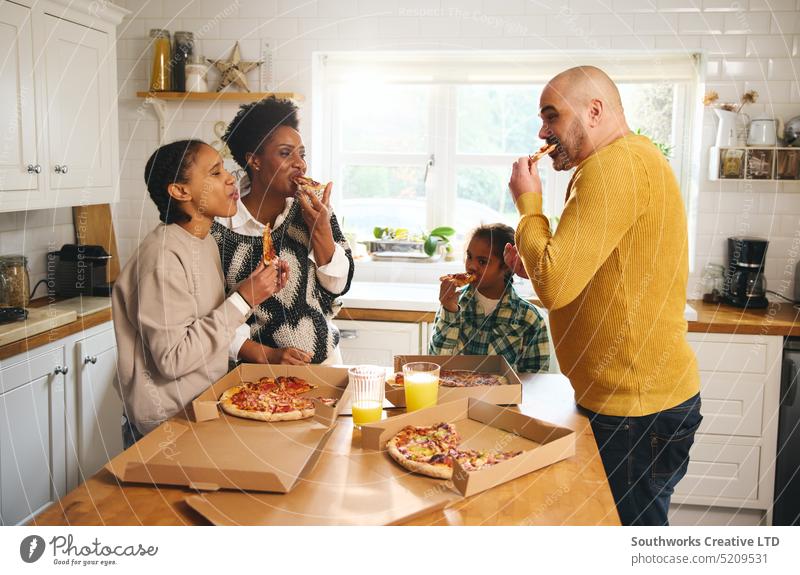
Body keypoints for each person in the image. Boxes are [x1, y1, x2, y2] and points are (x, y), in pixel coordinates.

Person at [504, 66, 701, 526]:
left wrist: (528, 204)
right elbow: (592, 273)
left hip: (635, 412)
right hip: (633, 403)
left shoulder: (614, 167)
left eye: (551, 116)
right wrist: (530, 263)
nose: (542, 131)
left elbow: (555, 284)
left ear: (594, 111)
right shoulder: (631, 160)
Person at [113, 140, 288, 448]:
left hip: (199, 408)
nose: (231, 179)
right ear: (180, 191)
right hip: (164, 427)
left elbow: (200, 320)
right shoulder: (162, 257)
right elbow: (173, 359)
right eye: (215, 173)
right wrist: (243, 299)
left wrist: (256, 289)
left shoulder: (201, 241)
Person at [213, 96, 354, 365]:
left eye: (302, 154)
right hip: (256, 375)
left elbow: (337, 287)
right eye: (285, 153)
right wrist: (268, 355)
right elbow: (214, 319)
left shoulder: (315, 210)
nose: (300, 164)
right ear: (254, 160)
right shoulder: (221, 227)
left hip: (325, 364)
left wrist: (321, 230)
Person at [429, 223, 549, 373]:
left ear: (506, 266)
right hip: (457, 393)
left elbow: (537, 380)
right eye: (469, 256)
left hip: (503, 396)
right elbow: (437, 364)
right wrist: (449, 310)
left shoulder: (530, 319)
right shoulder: (453, 304)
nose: (471, 266)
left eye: (482, 261)